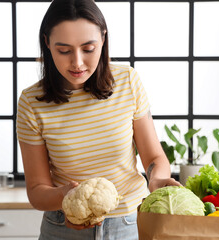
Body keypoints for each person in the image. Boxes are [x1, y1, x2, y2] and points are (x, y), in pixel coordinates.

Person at [16, 0, 181, 239]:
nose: (77, 62)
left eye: (88, 48)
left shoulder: (128, 82)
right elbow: (36, 190)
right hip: (63, 227)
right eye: (64, 50)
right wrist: (66, 197)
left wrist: (157, 181)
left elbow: (154, 157)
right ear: (47, 43)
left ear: (103, 39)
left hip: (129, 225)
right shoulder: (32, 102)